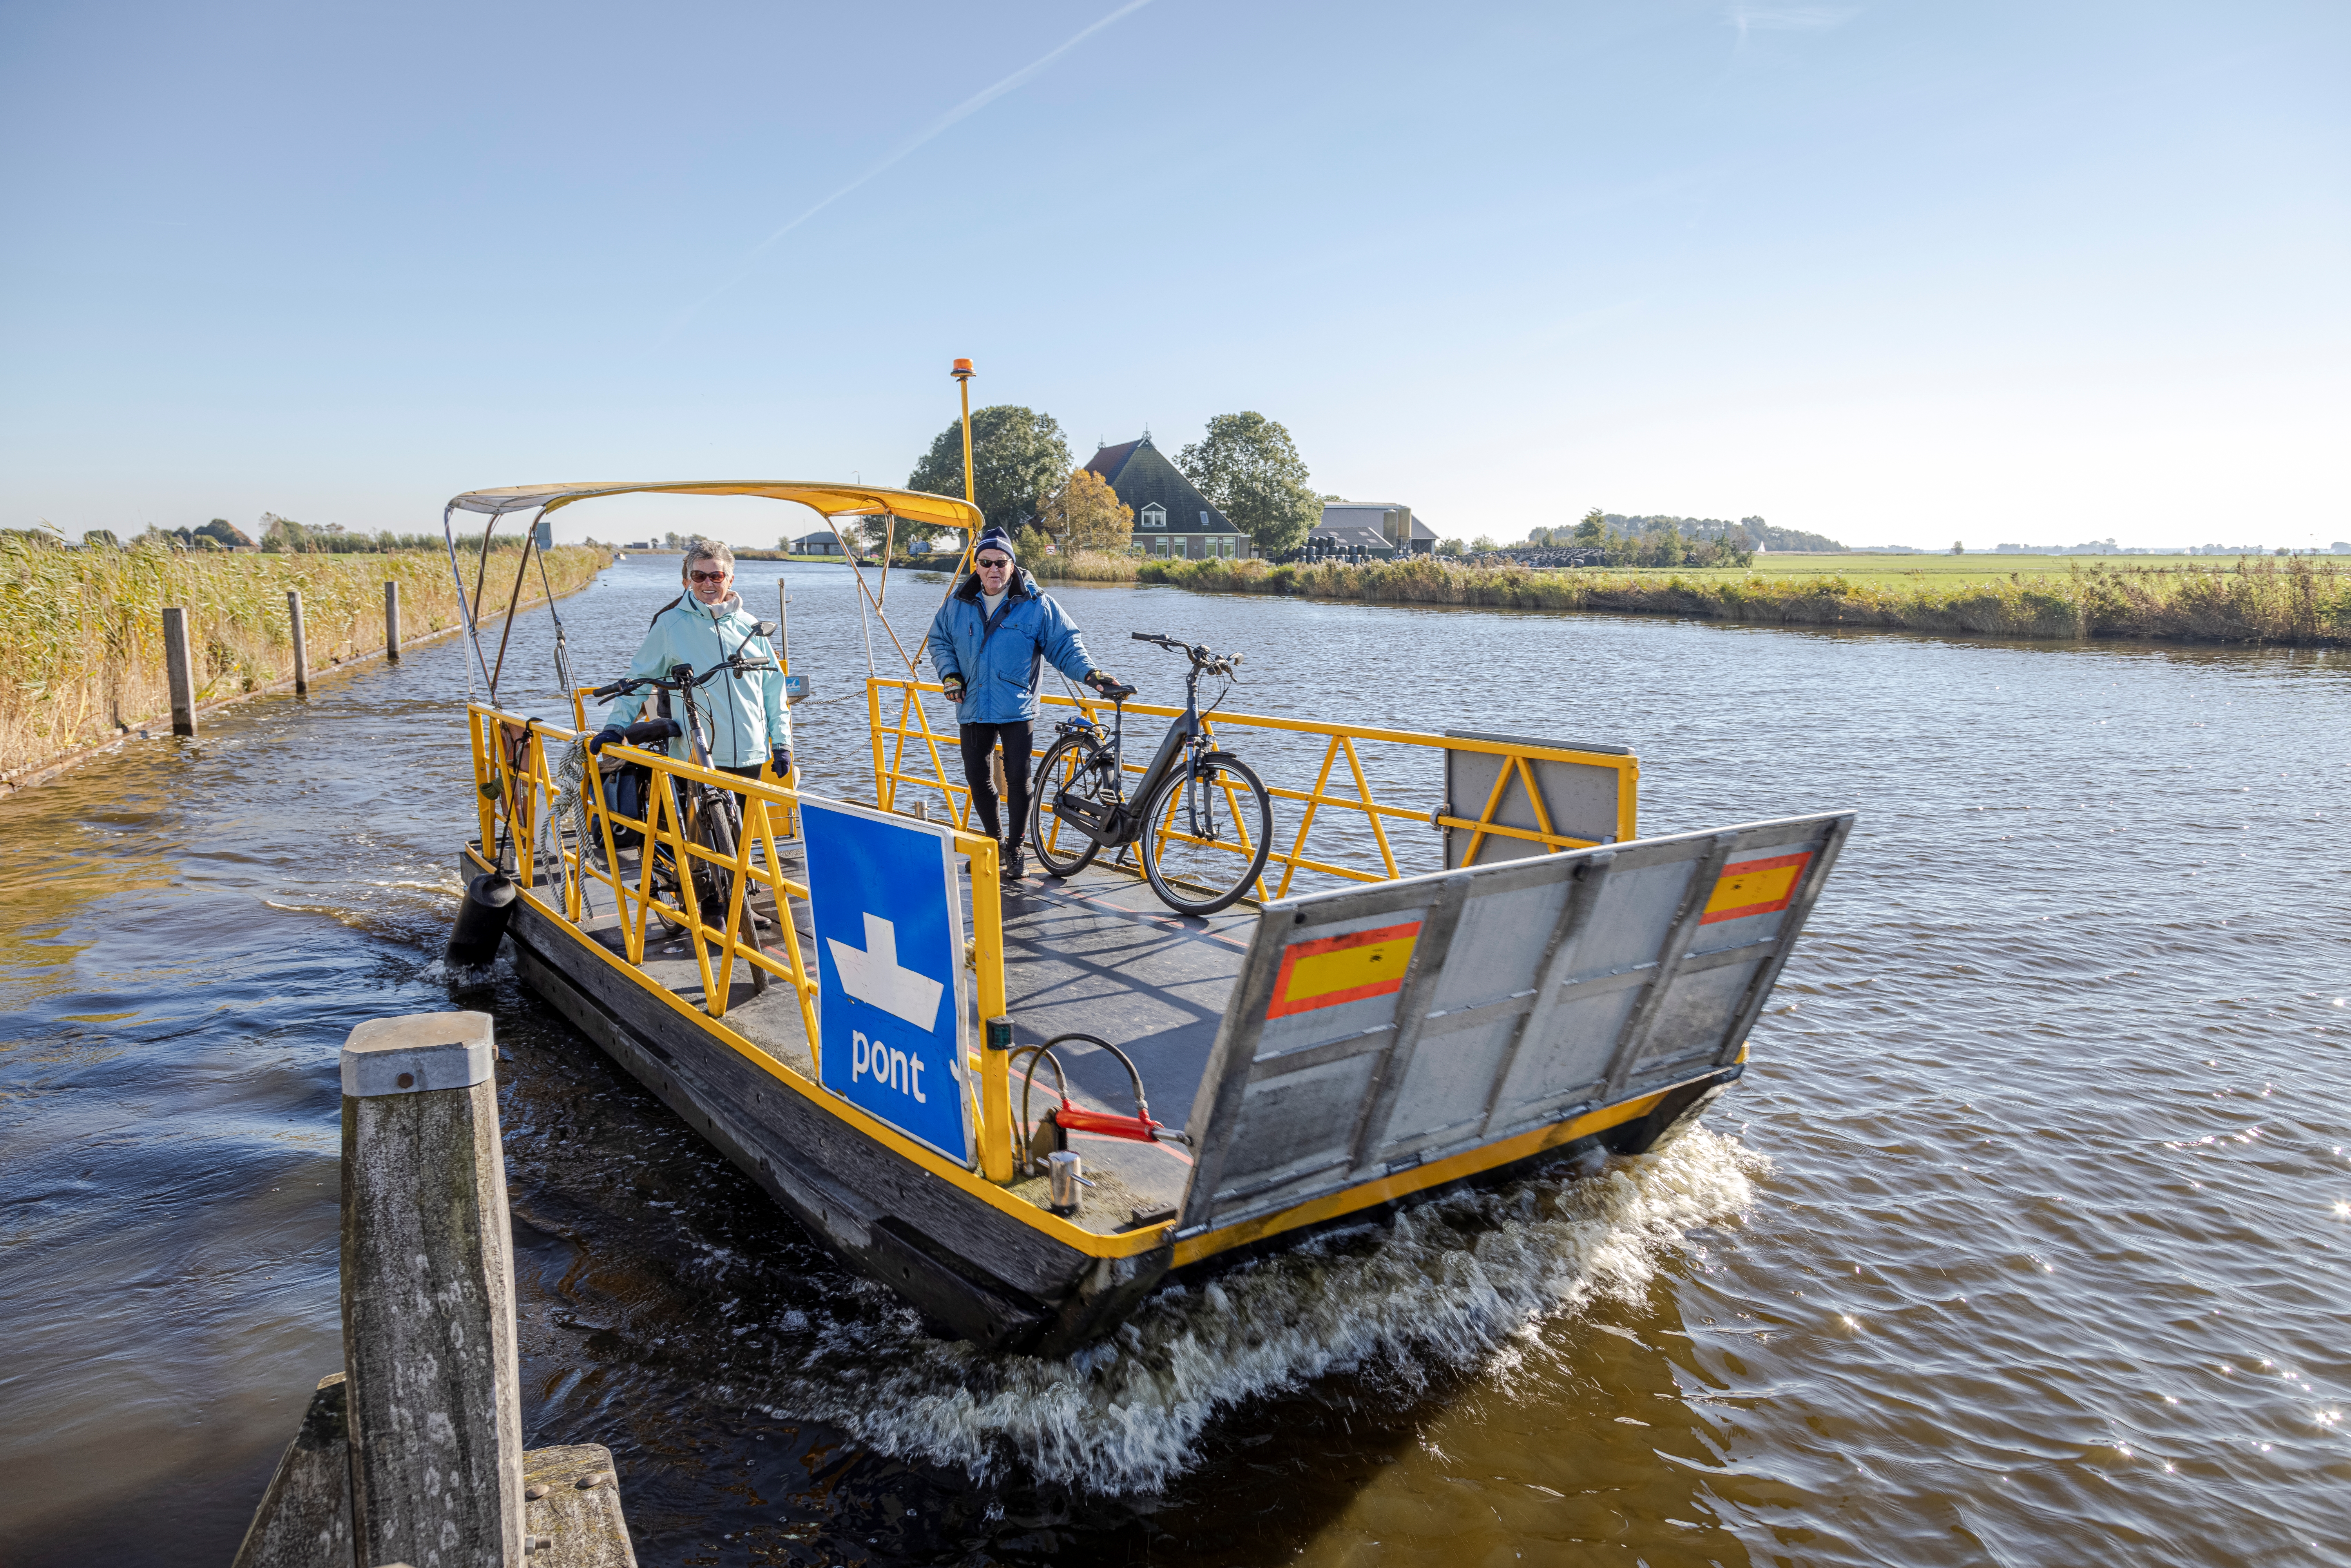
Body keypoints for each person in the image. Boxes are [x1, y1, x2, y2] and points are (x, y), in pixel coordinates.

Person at [924, 526, 1121, 880]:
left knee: (1018, 779)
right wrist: (950, 676)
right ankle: (994, 843)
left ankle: (1015, 850)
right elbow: (939, 642)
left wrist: (1093, 676)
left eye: (1002, 562)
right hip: (972, 706)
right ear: (977, 565)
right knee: (977, 777)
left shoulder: (1037, 604)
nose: (994, 570)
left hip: (1017, 707)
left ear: (1013, 566)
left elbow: (1065, 645)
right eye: (986, 563)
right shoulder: (957, 604)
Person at [591, 540, 791, 784]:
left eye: (716, 576)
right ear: (689, 580)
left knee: (746, 823)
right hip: (695, 753)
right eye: (699, 576)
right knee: (699, 822)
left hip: (751, 754)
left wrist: (782, 743)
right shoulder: (669, 624)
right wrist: (615, 728)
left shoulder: (749, 625)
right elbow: (638, 681)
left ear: (730, 580)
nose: (708, 583)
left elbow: (774, 689)